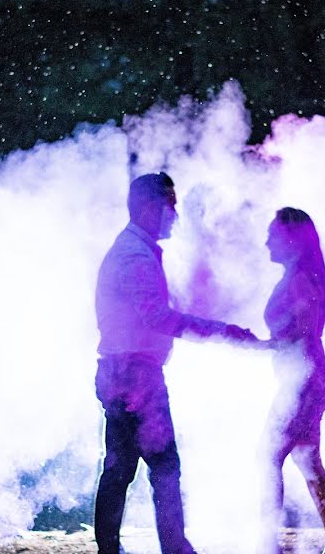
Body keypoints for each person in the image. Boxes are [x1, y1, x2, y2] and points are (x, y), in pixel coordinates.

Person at [94, 172, 253, 554]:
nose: (174, 213)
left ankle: (113, 550)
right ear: (150, 208)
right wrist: (223, 332)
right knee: (162, 468)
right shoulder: (135, 254)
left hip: (122, 372)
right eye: (170, 203)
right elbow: (158, 318)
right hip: (136, 375)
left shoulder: (132, 250)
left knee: (120, 468)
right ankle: (174, 549)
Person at [257, 207, 325, 554]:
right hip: (310, 380)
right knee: (307, 459)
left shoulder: (298, 279)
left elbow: (300, 331)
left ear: (291, 239)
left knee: (267, 456)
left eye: (273, 234)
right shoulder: (300, 276)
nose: (266, 240)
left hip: (305, 382)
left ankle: (268, 543)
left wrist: (258, 344)